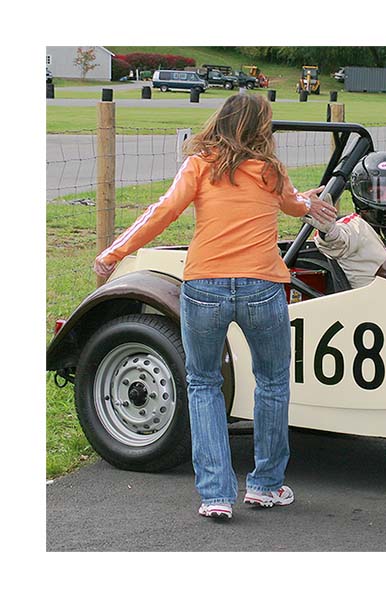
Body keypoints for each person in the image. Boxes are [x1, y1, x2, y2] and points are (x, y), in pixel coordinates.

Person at [93, 93, 335, 520]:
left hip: (204, 285)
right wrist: (309, 200)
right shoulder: (272, 171)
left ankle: (216, 494)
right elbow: (297, 205)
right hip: (263, 284)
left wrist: (115, 252)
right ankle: (265, 486)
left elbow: (163, 211)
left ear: (221, 121)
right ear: (261, 128)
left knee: (203, 384)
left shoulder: (200, 164)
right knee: (273, 383)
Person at [307, 151, 386, 289]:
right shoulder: (355, 228)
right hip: (374, 304)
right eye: (378, 193)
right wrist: (328, 230)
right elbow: (335, 242)